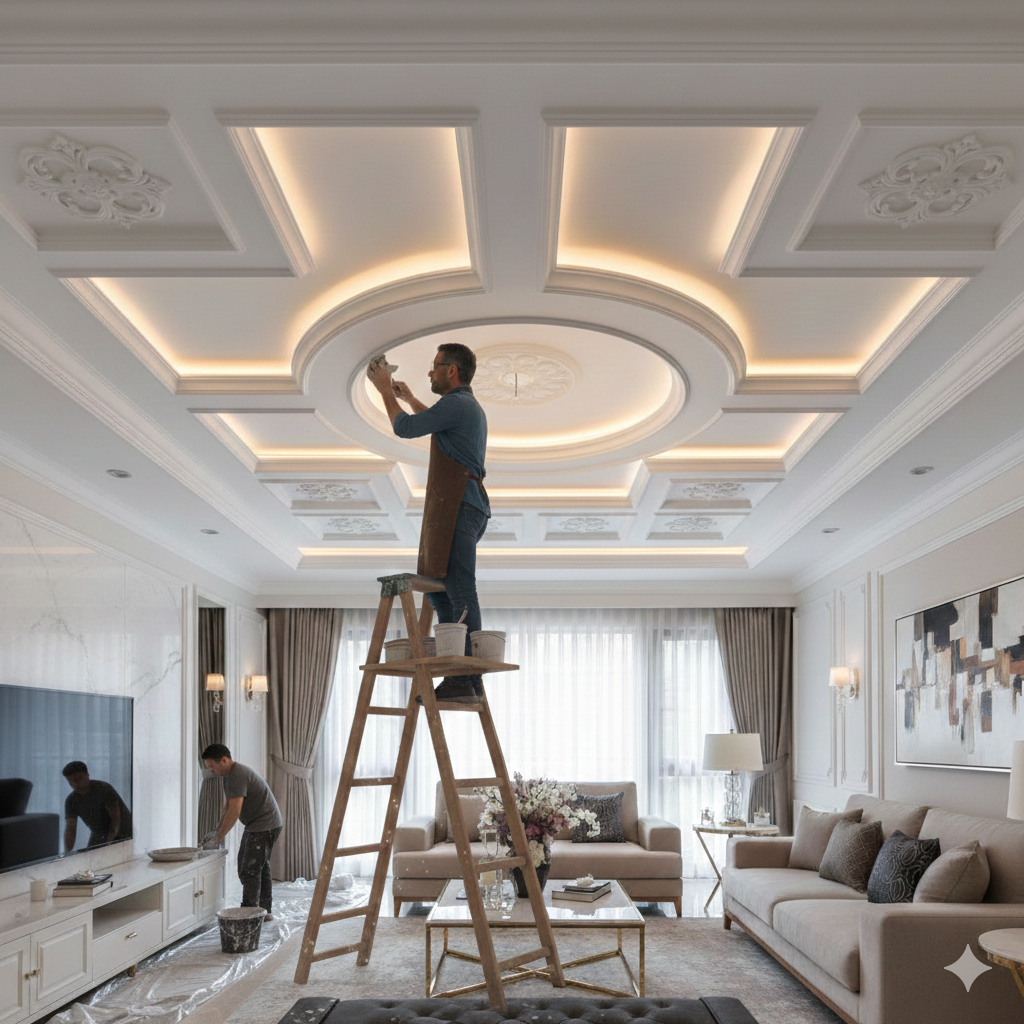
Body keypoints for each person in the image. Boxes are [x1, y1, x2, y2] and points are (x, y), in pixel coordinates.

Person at [368, 342, 490, 704]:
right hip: (463, 504)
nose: (429, 372)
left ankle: (465, 676)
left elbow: (406, 428)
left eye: (435, 366)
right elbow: (437, 427)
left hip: (458, 504)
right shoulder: (462, 407)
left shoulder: (459, 403)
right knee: (439, 588)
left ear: (451, 371)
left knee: (460, 589)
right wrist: (408, 398)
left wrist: (384, 390)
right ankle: (462, 678)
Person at [201, 743, 283, 920]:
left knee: (250, 869)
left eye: (212, 766)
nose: (210, 770)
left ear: (224, 760)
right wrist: (217, 832)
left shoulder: (237, 774)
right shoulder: (228, 776)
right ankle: (264, 911)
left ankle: (248, 915)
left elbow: (235, 811)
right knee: (259, 866)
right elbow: (227, 807)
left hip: (265, 824)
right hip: (260, 824)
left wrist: (219, 838)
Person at [62, 760, 132, 851]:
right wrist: (67, 853)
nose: (75, 784)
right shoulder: (71, 800)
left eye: (79, 779)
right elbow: (70, 828)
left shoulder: (104, 789)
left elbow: (115, 819)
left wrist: (108, 843)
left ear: (87, 775)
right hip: (99, 834)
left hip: (123, 832)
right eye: (71, 782)